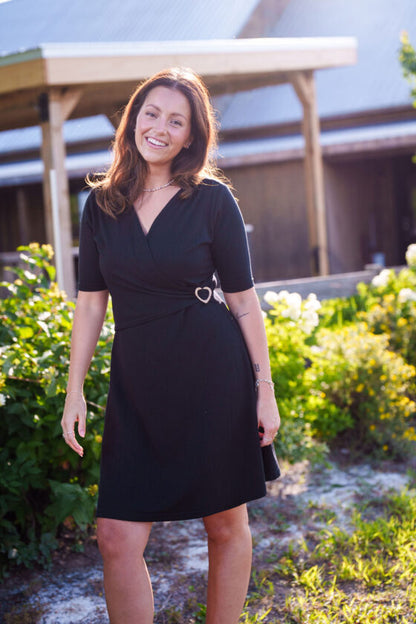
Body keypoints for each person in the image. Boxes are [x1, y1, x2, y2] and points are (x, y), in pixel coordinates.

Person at [61, 66, 280, 624]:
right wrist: (75, 390)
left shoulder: (212, 201)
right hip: (137, 385)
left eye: (176, 120)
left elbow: (245, 302)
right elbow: (91, 303)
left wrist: (264, 389)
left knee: (224, 524)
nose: (159, 127)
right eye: (151, 113)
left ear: (191, 136)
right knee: (114, 535)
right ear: (134, 118)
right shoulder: (101, 206)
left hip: (211, 372)